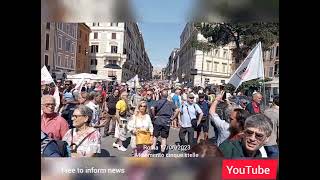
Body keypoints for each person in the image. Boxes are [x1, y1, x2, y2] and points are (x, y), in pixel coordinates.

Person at [151, 90, 180, 154]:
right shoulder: (170, 103)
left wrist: (154, 116)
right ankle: (162, 151)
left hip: (158, 120)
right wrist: (172, 118)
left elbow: (152, 108)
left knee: (155, 136)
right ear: (167, 95)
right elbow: (177, 110)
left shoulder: (157, 102)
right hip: (166, 121)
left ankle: (152, 149)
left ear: (161, 95)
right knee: (164, 138)